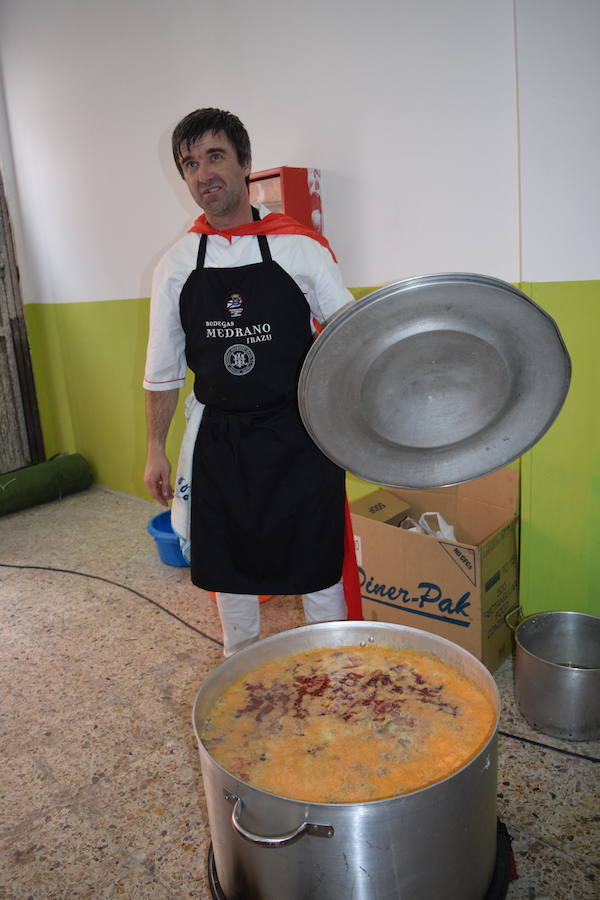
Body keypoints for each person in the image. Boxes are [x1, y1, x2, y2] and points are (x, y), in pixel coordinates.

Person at [143, 107, 357, 656]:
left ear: (245, 164)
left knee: (317, 559)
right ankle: (239, 664)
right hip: (222, 438)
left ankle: (332, 668)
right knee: (229, 566)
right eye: (189, 164)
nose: (202, 174)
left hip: (302, 431)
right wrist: (155, 449)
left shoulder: (299, 248)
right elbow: (162, 369)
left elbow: (353, 339)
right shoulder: (175, 265)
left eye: (214, 156)